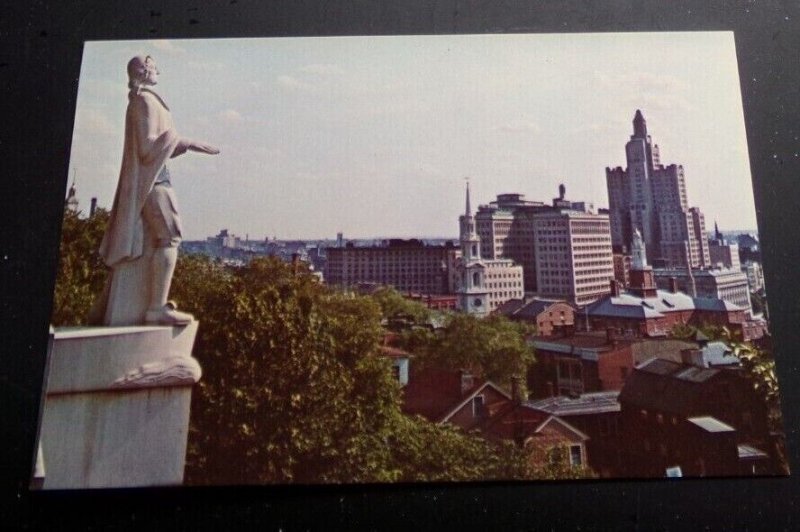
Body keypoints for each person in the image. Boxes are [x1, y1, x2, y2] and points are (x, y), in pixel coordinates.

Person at [92, 55, 219, 326]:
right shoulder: (145, 101)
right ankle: (156, 307)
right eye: (153, 66)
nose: (158, 70)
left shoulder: (145, 100)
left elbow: (157, 149)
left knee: (166, 238)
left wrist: (181, 145)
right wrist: (186, 141)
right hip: (154, 182)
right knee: (170, 237)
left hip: (156, 178)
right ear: (144, 70)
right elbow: (149, 148)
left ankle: (151, 305)